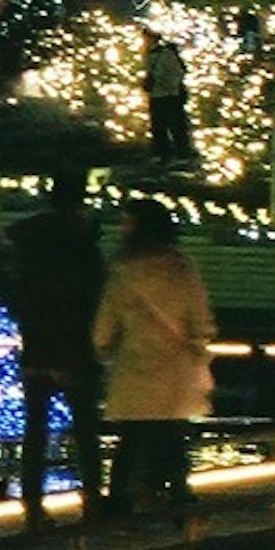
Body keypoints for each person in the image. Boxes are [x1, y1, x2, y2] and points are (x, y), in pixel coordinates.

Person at [92, 198, 216, 514]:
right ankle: (177, 493)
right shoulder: (181, 268)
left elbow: (104, 326)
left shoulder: (122, 269)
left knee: (131, 438)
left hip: (135, 364)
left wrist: (103, 348)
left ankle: (120, 498)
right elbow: (200, 320)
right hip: (175, 366)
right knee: (174, 434)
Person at [2, 167, 108, 524]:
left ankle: (32, 502)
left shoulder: (28, 245)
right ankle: (92, 497)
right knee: (85, 429)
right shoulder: (80, 245)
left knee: (36, 428)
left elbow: (18, 294)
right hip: (74, 348)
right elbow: (92, 296)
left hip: (36, 347)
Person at [142, 27, 196, 169]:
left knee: (174, 125)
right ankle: (164, 153)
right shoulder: (150, 54)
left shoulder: (165, 54)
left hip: (169, 95)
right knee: (159, 126)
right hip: (159, 94)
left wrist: (164, 85)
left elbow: (175, 74)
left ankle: (179, 153)